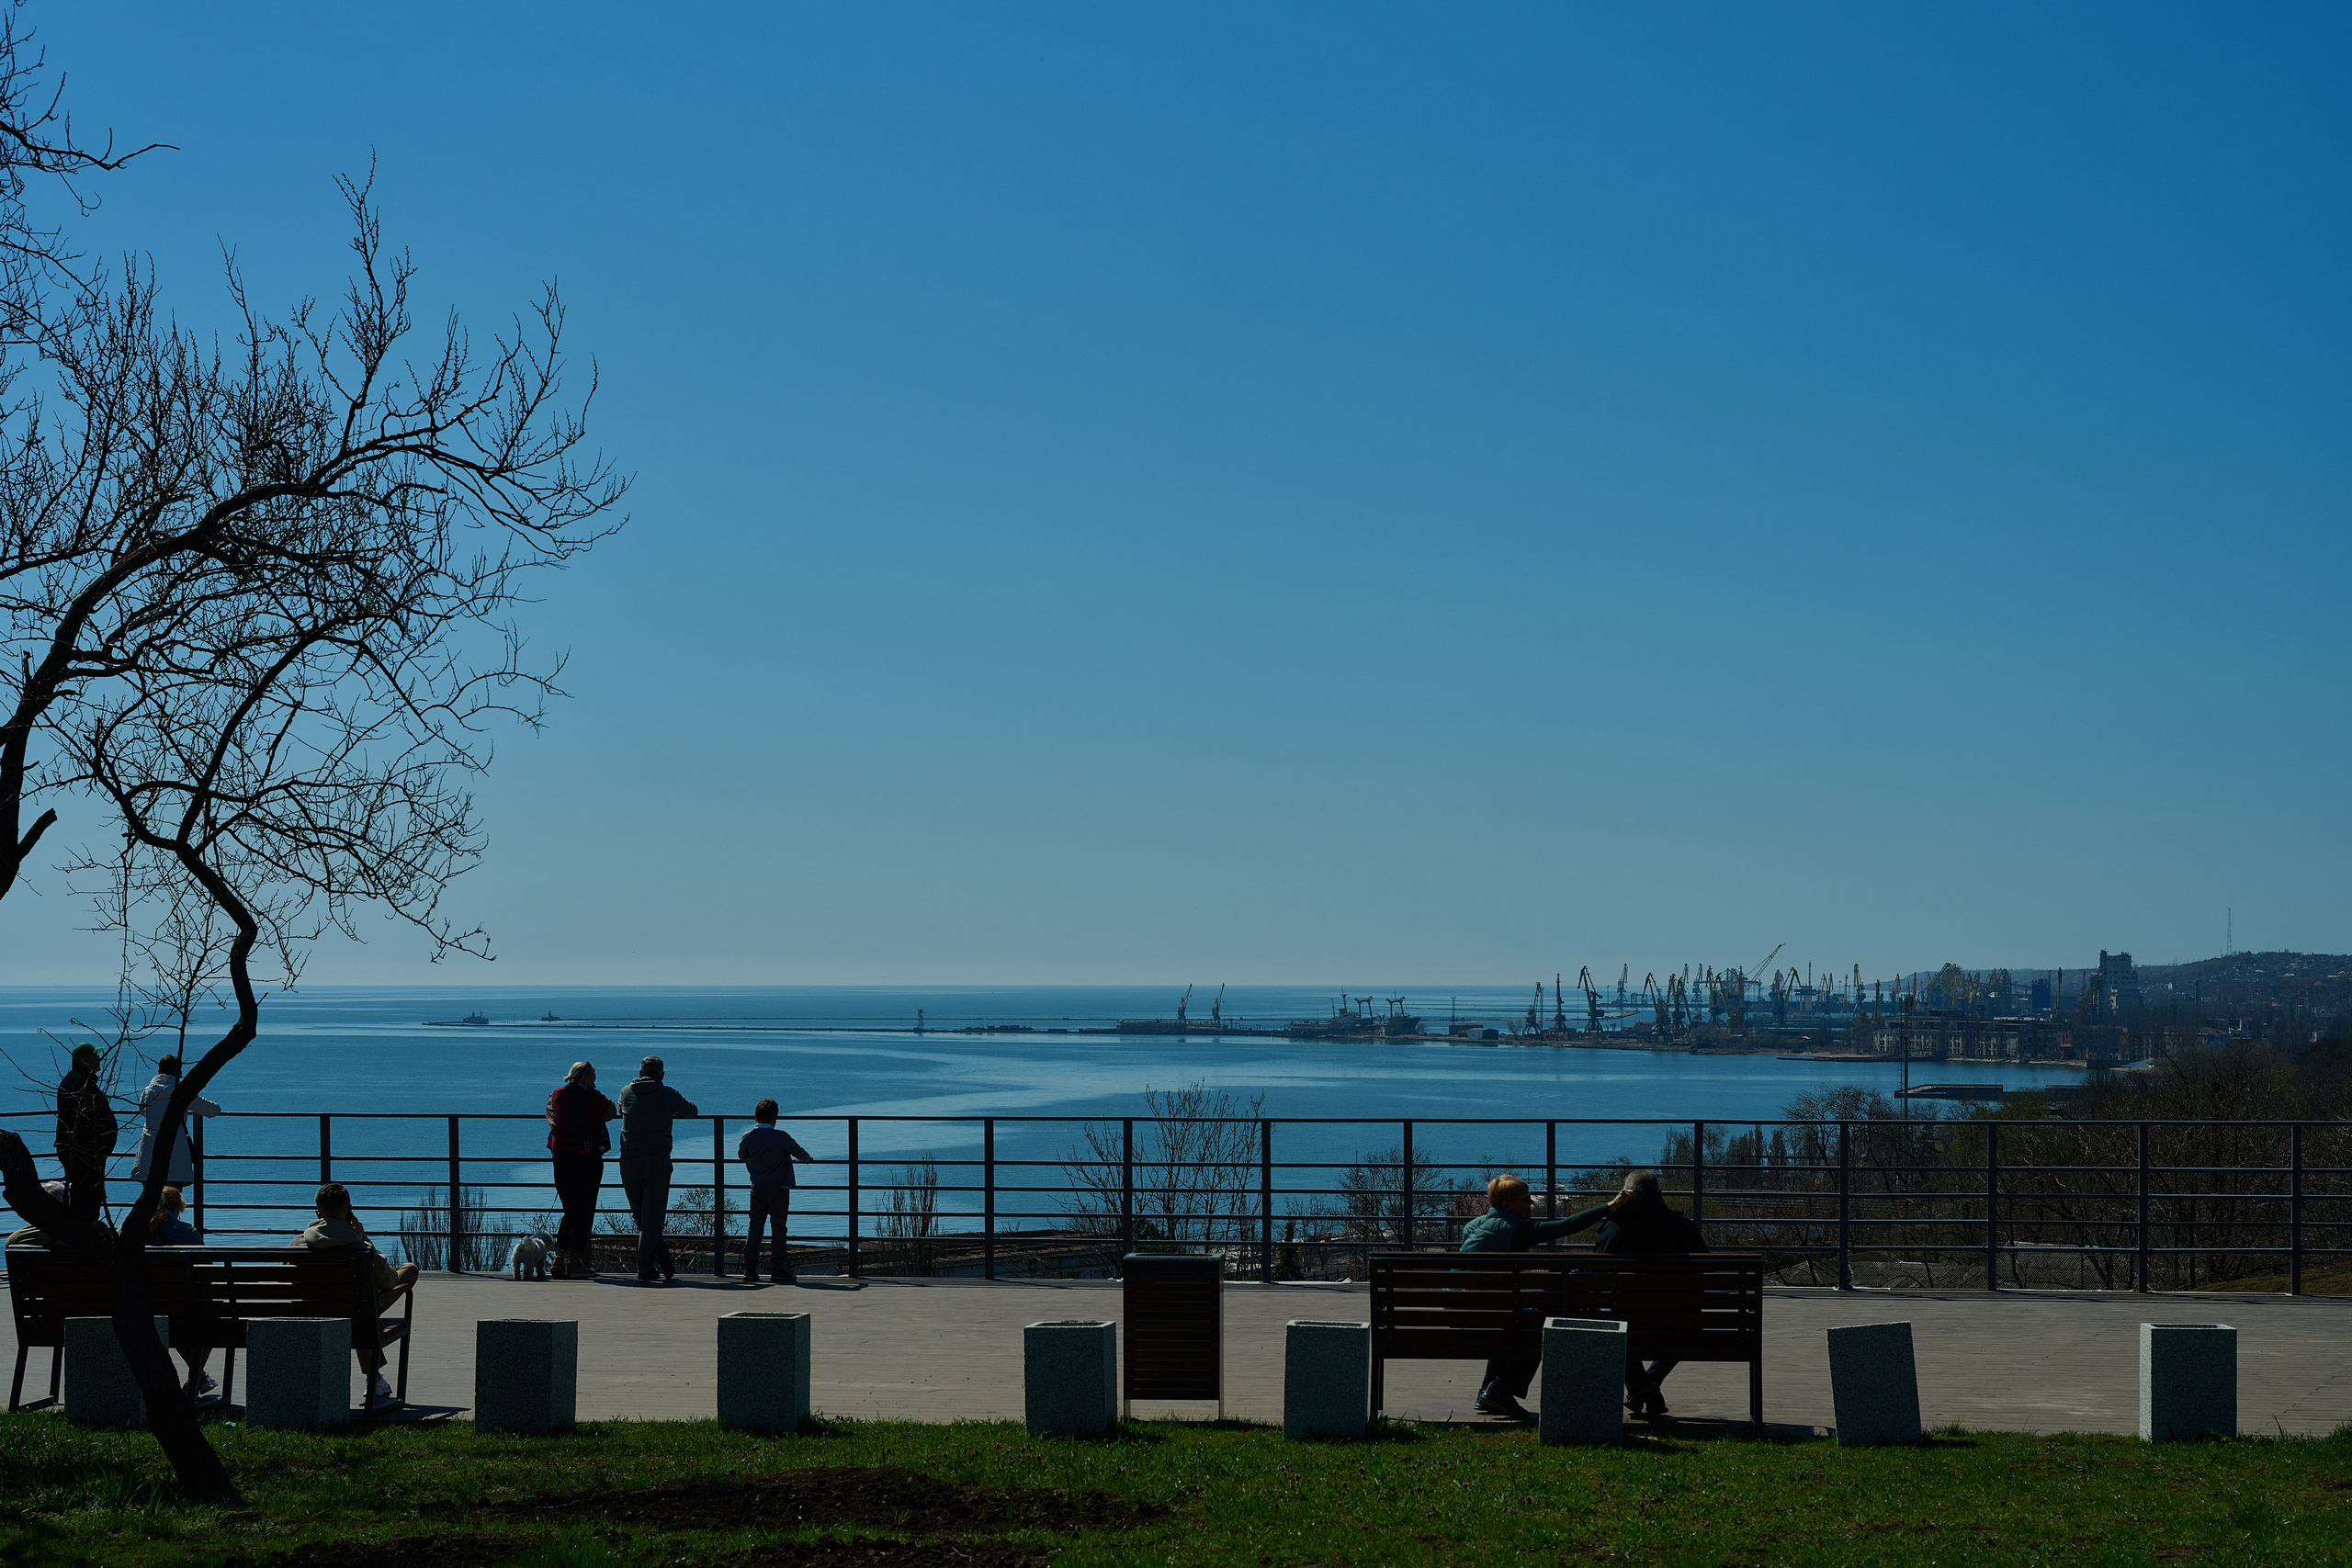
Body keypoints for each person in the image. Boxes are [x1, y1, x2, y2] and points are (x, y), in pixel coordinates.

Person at [1458, 1173, 1630, 1421]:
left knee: (1513, 1318)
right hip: (1485, 1311)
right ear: (1508, 1205)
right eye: (1525, 1199)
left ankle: (1488, 1392)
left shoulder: (1473, 1226)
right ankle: (1500, 1390)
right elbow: (1566, 1226)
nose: (1530, 1203)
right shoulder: (1515, 1229)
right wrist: (1609, 1207)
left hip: (1463, 1308)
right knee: (1542, 1328)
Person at [290, 1181, 419, 1410]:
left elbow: (289, 1281)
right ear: (349, 1210)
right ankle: (373, 1378)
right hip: (357, 1313)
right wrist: (364, 1238)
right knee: (404, 1273)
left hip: (314, 1312)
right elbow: (389, 1281)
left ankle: (374, 1376)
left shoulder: (297, 1244)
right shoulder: (361, 1248)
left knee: (361, 1305)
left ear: (317, 1213)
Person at [1593, 1169, 1709, 1419]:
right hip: (1679, 1325)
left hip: (1626, 1322)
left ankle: (1641, 1388)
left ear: (1627, 1194)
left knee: (1611, 1327)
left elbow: (1596, 1274)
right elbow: (1704, 1273)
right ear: (1660, 1193)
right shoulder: (1684, 1228)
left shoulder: (1613, 1228)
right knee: (1688, 1320)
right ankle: (1648, 1387)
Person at [616, 1056, 697, 1283]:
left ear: (640, 1073)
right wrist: (669, 1111)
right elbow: (692, 1111)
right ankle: (644, 1268)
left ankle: (662, 1257)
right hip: (657, 1160)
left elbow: (619, 1109)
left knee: (641, 1215)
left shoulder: (625, 1091)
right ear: (662, 1075)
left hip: (628, 1160)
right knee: (652, 1217)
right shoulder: (668, 1094)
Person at [545, 1061, 616, 1278]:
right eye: (593, 1079)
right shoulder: (593, 1098)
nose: (595, 1084)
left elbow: (550, 1115)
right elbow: (611, 1112)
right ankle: (575, 1260)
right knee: (584, 1210)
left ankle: (558, 1258)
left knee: (570, 1209)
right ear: (584, 1078)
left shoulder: (556, 1094)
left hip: (561, 1157)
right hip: (587, 1159)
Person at [736, 1099, 814, 1284]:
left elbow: (741, 1155)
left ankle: (750, 1268)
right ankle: (778, 1268)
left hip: (757, 1188)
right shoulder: (780, 1137)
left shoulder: (748, 1138)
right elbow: (802, 1154)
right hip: (780, 1189)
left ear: (755, 1118)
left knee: (755, 1228)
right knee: (778, 1229)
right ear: (775, 1118)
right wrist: (807, 1160)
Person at [151, 1187, 215, 1398]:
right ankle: (196, 1380)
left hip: (148, 1307)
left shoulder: (132, 1230)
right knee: (209, 1320)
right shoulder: (187, 1232)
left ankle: (198, 1379)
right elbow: (207, 1271)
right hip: (185, 1307)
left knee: (172, 1318)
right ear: (178, 1207)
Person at [130, 1055, 221, 1187]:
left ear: (159, 1070)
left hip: (148, 1153)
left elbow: (144, 1112)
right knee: (172, 1201)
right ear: (179, 1072)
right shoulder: (182, 1091)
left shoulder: (147, 1091)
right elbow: (213, 1110)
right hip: (175, 1153)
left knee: (150, 1202)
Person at [55, 1043, 118, 1223]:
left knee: (85, 1195)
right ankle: (85, 1233)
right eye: (95, 1056)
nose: (99, 1060)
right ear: (86, 1060)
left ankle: (83, 1229)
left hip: (84, 1150)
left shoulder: (77, 1080)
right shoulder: (80, 1083)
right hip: (83, 1151)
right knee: (87, 1197)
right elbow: (86, 1119)